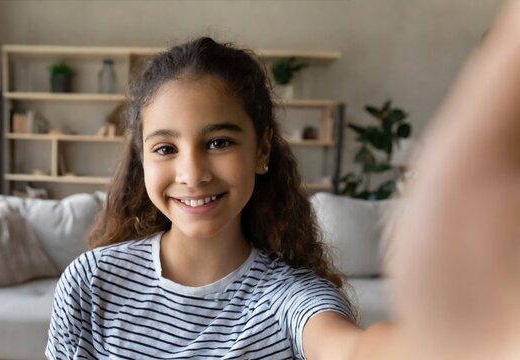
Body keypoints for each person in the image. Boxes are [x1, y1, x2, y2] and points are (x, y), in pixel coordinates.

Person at [47, 1, 520, 358]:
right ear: (143, 160)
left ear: (263, 150)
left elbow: (350, 350)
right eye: (166, 149)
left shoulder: (290, 297)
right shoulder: (91, 283)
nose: (191, 174)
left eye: (219, 143)